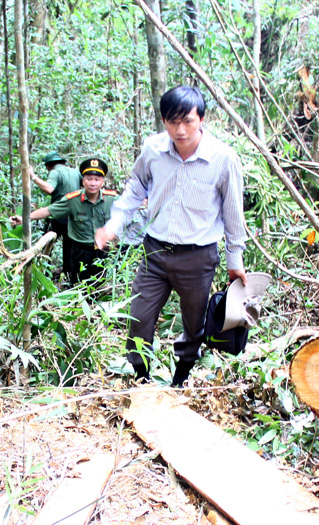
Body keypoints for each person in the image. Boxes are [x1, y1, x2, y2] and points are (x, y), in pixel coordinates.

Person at [95, 86, 248, 387]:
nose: (180, 130)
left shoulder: (222, 158)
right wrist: (114, 224)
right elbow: (136, 187)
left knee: (194, 324)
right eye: (172, 122)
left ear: (202, 119)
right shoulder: (153, 149)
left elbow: (233, 212)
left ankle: (181, 378)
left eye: (188, 121)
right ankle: (141, 378)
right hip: (155, 253)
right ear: (163, 121)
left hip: (198, 256)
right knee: (139, 318)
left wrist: (235, 260)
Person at [11, 158, 117, 285]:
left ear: (102, 182)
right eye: (89, 179)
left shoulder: (112, 199)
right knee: (78, 286)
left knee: (100, 286)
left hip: (102, 251)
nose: (93, 183)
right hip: (80, 252)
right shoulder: (73, 200)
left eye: (97, 179)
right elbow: (49, 210)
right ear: (83, 181)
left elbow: (131, 207)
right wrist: (24, 218)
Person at [32, 152, 81, 282]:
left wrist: (33, 177)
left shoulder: (55, 172)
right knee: (69, 247)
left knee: (47, 244)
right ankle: (69, 276)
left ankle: (43, 274)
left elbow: (49, 189)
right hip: (74, 215)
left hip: (58, 214)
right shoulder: (75, 172)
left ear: (48, 166)